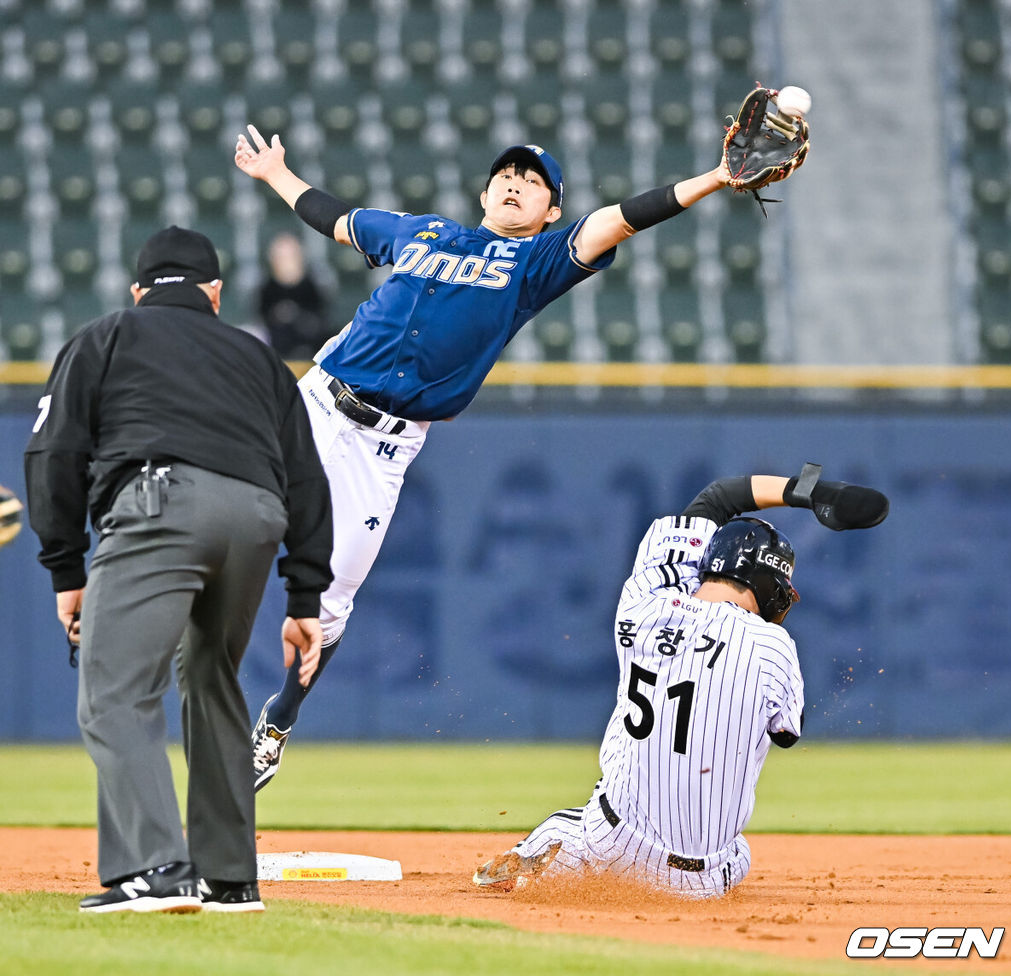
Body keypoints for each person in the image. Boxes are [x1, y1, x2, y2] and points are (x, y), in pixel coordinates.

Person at [233, 122, 739, 792]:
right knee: (221, 494)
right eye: (507, 174)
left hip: (383, 447)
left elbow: (620, 220)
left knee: (331, 605)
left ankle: (278, 721)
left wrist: (714, 178)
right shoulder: (420, 233)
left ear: (551, 213)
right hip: (314, 402)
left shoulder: (535, 265)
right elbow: (338, 220)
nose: (515, 183)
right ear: (483, 190)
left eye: (534, 183)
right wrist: (274, 176)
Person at [23, 226, 333, 914]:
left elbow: (53, 454)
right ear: (214, 293)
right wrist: (306, 595)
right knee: (211, 677)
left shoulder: (105, 335)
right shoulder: (258, 358)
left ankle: (155, 869)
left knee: (115, 688)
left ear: (138, 292)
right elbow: (308, 477)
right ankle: (231, 878)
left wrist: (64, 570)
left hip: (160, 501)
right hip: (256, 517)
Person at [472, 464, 888, 898]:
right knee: (740, 852)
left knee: (571, 822)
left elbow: (716, 499)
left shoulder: (641, 602)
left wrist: (813, 491)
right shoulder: (774, 647)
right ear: (765, 579)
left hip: (610, 841)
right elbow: (786, 732)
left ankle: (522, 866)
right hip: (700, 879)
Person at [257, 230, 332, 361]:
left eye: (291, 256)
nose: (287, 262)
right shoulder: (266, 290)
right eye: (282, 257)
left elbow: (321, 324)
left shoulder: (314, 288)